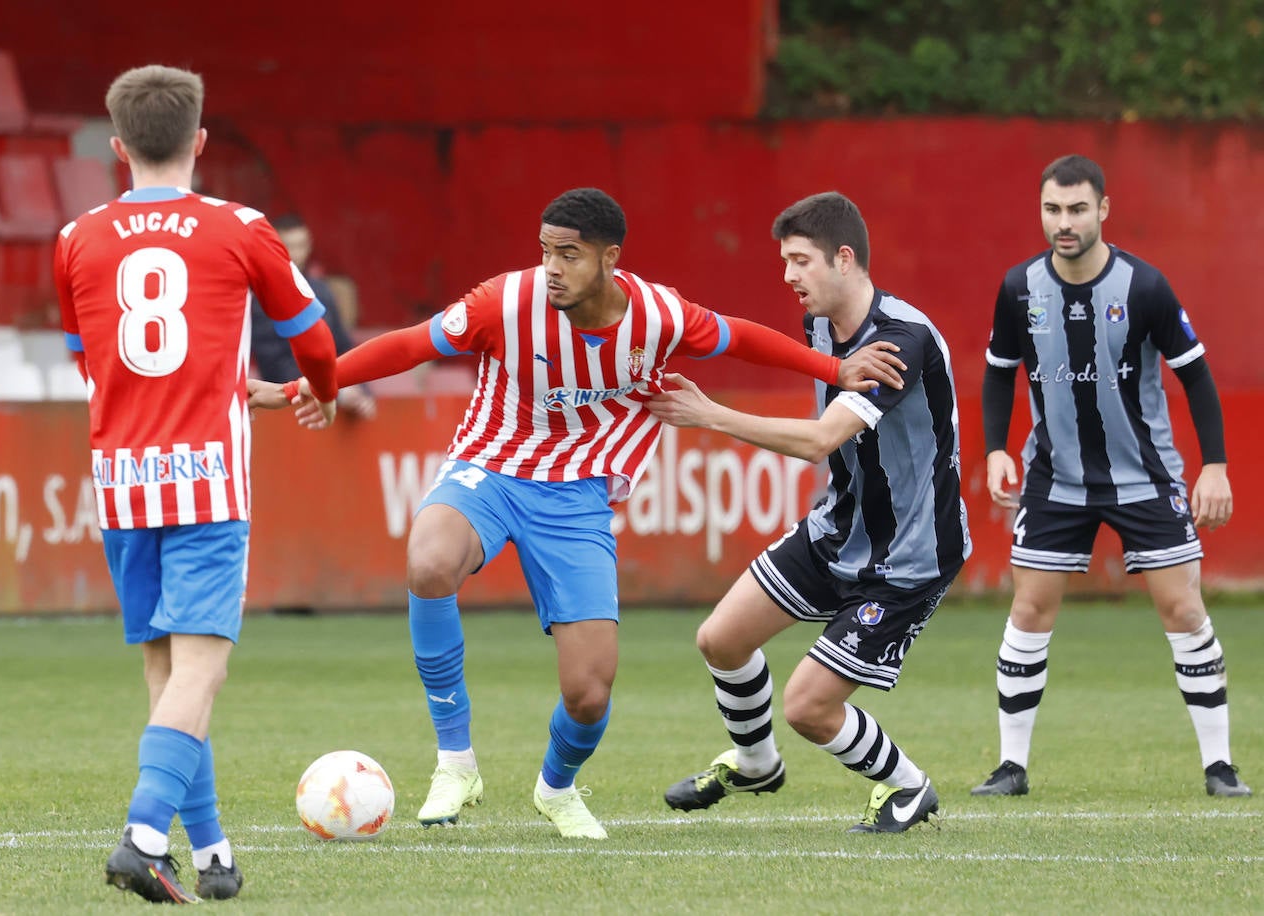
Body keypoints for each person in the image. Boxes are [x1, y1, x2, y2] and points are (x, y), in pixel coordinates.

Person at [249, 187, 907, 839]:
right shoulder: (503, 302)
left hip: (579, 494)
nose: (552, 269)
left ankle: (557, 789)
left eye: (569, 255)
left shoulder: (659, 317)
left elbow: (742, 338)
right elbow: (411, 346)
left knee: (590, 693)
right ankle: (456, 761)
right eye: (545, 252)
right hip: (492, 467)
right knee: (428, 562)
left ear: (609, 259)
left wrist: (832, 368)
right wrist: (306, 383)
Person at [54, 64, 339, 902]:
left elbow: (88, 362)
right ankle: (144, 836)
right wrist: (316, 392)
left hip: (123, 479)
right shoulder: (241, 226)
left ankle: (211, 853)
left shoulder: (76, 237)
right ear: (201, 141)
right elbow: (314, 339)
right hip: (207, 480)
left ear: (117, 147)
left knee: (167, 672)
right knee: (202, 668)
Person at [654, 191, 969, 833]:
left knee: (808, 707)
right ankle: (756, 764)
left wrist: (709, 414)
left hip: (908, 556)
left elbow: (820, 440)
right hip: (837, 531)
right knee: (720, 639)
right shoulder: (822, 327)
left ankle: (910, 788)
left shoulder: (899, 341)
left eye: (799, 261)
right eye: (785, 261)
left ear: (843, 259)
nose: (788, 276)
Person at [971, 154, 1250, 799]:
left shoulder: (1146, 287)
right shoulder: (1018, 288)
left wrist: (1214, 466)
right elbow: (997, 369)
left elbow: (1196, 374)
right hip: (1054, 479)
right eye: (1052, 210)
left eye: (1076, 209)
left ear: (1103, 210)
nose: (1063, 223)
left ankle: (1220, 767)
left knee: (1183, 608)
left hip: (1144, 478)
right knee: (1029, 610)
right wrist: (993, 449)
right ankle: (1011, 768)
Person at [251, 214, 375, 418]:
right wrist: (334, 393)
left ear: (309, 245)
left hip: (331, 403)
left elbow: (343, 347)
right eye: (288, 245)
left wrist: (362, 392)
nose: (296, 253)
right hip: (288, 411)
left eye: (301, 245)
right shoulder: (261, 301)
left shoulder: (322, 292)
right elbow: (275, 368)